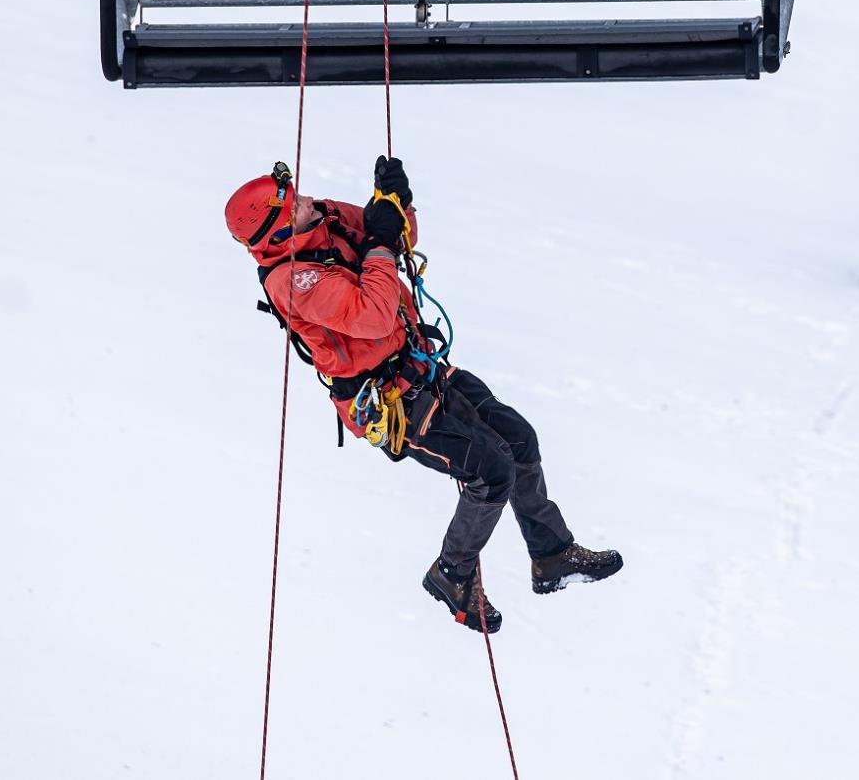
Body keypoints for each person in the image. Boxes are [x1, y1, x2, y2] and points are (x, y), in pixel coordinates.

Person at [224, 157, 622, 634]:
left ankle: (552, 553)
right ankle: (452, 573)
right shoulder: (292, 280)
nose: (310, 201)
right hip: (389, 401)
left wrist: (395, 204)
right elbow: (372, 311)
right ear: (277, 233)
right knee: (490, 469)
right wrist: (381, 243)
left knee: (518, 439)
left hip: (419, 364)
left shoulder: (325, 220)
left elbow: (395, 240)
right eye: (296, 206)